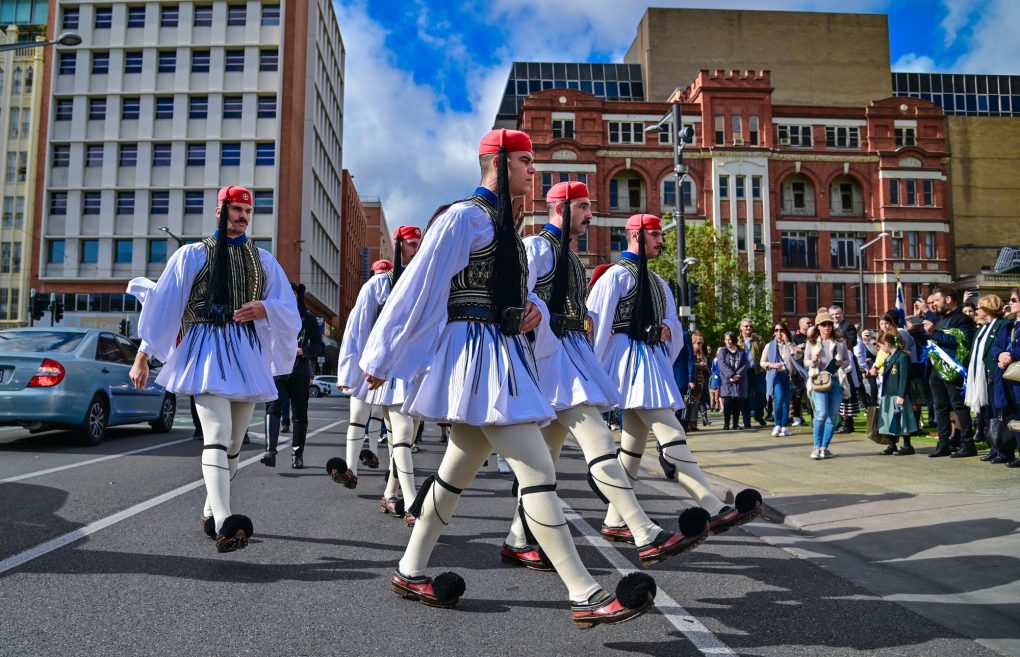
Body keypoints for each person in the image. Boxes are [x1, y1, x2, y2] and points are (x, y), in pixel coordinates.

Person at [360, 129, 657, 627]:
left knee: (454, 476)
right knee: (538, 471)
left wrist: (529, 312)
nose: (533, 170)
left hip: (499, 355)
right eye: (525, 161)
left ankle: (410, 569)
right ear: (498, 162)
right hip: (477, 358)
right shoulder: (462, 218)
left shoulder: (507, 232)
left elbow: (516, 296)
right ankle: (584, 592)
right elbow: (419, 284)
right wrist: (381, 357)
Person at [500, 181, 708, 571]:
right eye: (582, 207)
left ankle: (517, 537)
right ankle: (644, 532)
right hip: (548, 362)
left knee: (542, 464)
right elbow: (514, 299)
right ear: (559, 208)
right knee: (597, 441)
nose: (590, 215)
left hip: (567, 359)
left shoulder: (572, 261)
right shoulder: (536, 249)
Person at [127, 185, 300, 552]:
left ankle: (210, 511)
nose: (242, 216)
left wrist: (264, 309)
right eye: (235, 209)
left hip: (246, 352)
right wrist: (144, 354)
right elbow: (165, 305)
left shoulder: (263, 260)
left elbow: (288, 307)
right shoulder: (192, 255)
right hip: (205, 348)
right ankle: (224, 522)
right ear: (220, 211)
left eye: (247, 211)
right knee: (218, 433)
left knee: (235, 443)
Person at [588, 213, 762, 539]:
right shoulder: (614, 277)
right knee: (670, 429)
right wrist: (593, 372)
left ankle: (614, 521)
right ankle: (711, 504)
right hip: (630, 365)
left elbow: (673, 323)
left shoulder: (659, 282)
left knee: (633, 448)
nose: (661, 241)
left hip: (650, 362)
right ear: (637, 236)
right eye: (655, 235)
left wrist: (669, 327)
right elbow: (596, 327)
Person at [334, 228, 425, 526]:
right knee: (400, 432)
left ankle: (390, 494)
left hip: (413, 372)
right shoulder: (377, 285)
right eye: (412, 245)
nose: (416, 250)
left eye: (418, 245)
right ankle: (412, 503)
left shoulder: (421, 283)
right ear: (399, 247)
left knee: (403, 437)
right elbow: (357, 329)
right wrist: (350, 372)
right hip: (386, 372)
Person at [335, 260, 393, 487]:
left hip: (371, 363)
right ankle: (372, 465)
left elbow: (354, 333)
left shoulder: (372, 287)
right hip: (378, 364)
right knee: (382, 420)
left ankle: (355, 467)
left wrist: (348, 372)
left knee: (365, 418)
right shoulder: (379, 286)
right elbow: (355, 331)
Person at [262, 283, 323, 468]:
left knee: (299, 413)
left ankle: (297, 454)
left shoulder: (308, 319)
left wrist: (302, 351)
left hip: (299, 371)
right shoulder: (271, 315)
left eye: (292, 293)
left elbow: (319, 346)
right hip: (276, 370)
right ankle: (270, 452)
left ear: (298, 295)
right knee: (273, 407)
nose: (287, 295)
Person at [913, 286, 976, 457]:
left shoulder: (963, 319)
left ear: (948, 299)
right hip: (936, 368)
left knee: (958, 406)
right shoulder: (940, 318)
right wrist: (916, 332)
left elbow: (960, 342)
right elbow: (932, 341)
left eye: (937, 301)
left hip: (952, 368)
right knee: (940, 407)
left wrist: (934, 332)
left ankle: (967, 443)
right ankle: (943, 443)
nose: (934, 305)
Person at [804, 308, 851, 459]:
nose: (826, 327)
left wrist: (842, 363)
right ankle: (816, 446)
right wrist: (813, 360)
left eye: (829, 324)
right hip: (819, 381)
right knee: (821, 413)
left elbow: (848, 361)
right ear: (818, 327)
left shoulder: (839, 342)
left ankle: (825, 447)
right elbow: (805, 362)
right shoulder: (811, 343)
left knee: (832, 415)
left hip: (836, 380)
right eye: (823, 324)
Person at [965, 295, 1007, 461]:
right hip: (981, 376)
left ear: (988, 309)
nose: (977, 310)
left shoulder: (1001, 325)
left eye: (980, 307)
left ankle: (1003, 450)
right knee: (988, 413)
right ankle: (994, 448)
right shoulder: (983, 327)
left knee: (997, 413)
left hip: (993, 375)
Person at [874, 331, 919, 455]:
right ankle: (892, 444)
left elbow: (904, 377)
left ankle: (907, 445)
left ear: (887, 344)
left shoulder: (902, 357)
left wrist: (901, 395)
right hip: (889, 392)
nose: (880, 349)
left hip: (898, 393)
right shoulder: (889, 358)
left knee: (903, 419)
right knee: (890, 418)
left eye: (881, 345)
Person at [991, 289, 1020, 467]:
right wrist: (1000, 354)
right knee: (1015, 415)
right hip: (1007, 377)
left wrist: (1010, 355)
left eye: (1014, 299)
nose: (1010, 302)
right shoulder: (1008, 325)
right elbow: (995, 346)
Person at [761, 323, 795, 436]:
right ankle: (777, 424)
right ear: (774, 332)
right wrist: (772, 365)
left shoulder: (790, 344)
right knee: (779, 398)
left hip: (788, 375)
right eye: (777, 330)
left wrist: (788, 343)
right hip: (776, 375)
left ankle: (785, 425)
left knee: (787, 401)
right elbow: (762, 362)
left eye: (781, 330)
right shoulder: (769, 346)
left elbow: (797, 356)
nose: (779, 332)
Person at [738, 318, 767, 428]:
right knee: (745, 397)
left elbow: (765, 353)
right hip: (744, 373)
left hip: (758, 371)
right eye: (746, 326)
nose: (749, 328)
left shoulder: (758, 339)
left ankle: (758, 415)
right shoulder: (737, 341)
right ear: (741, 328)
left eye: (750, 326)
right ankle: (746, 421)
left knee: (762, 394)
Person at [716, 332, 748, 431]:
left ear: (733, 339)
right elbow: (722, 364)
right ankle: (726, 424)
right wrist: (731, 375)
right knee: (728, 403)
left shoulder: (741, 351)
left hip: (739, 380)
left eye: (729, 339)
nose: (727, 342)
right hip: (727, 380)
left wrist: (738, 375)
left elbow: (745, 364)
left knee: (737, 403)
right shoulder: (722, 351)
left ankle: (736, 424)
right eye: (726, 339)